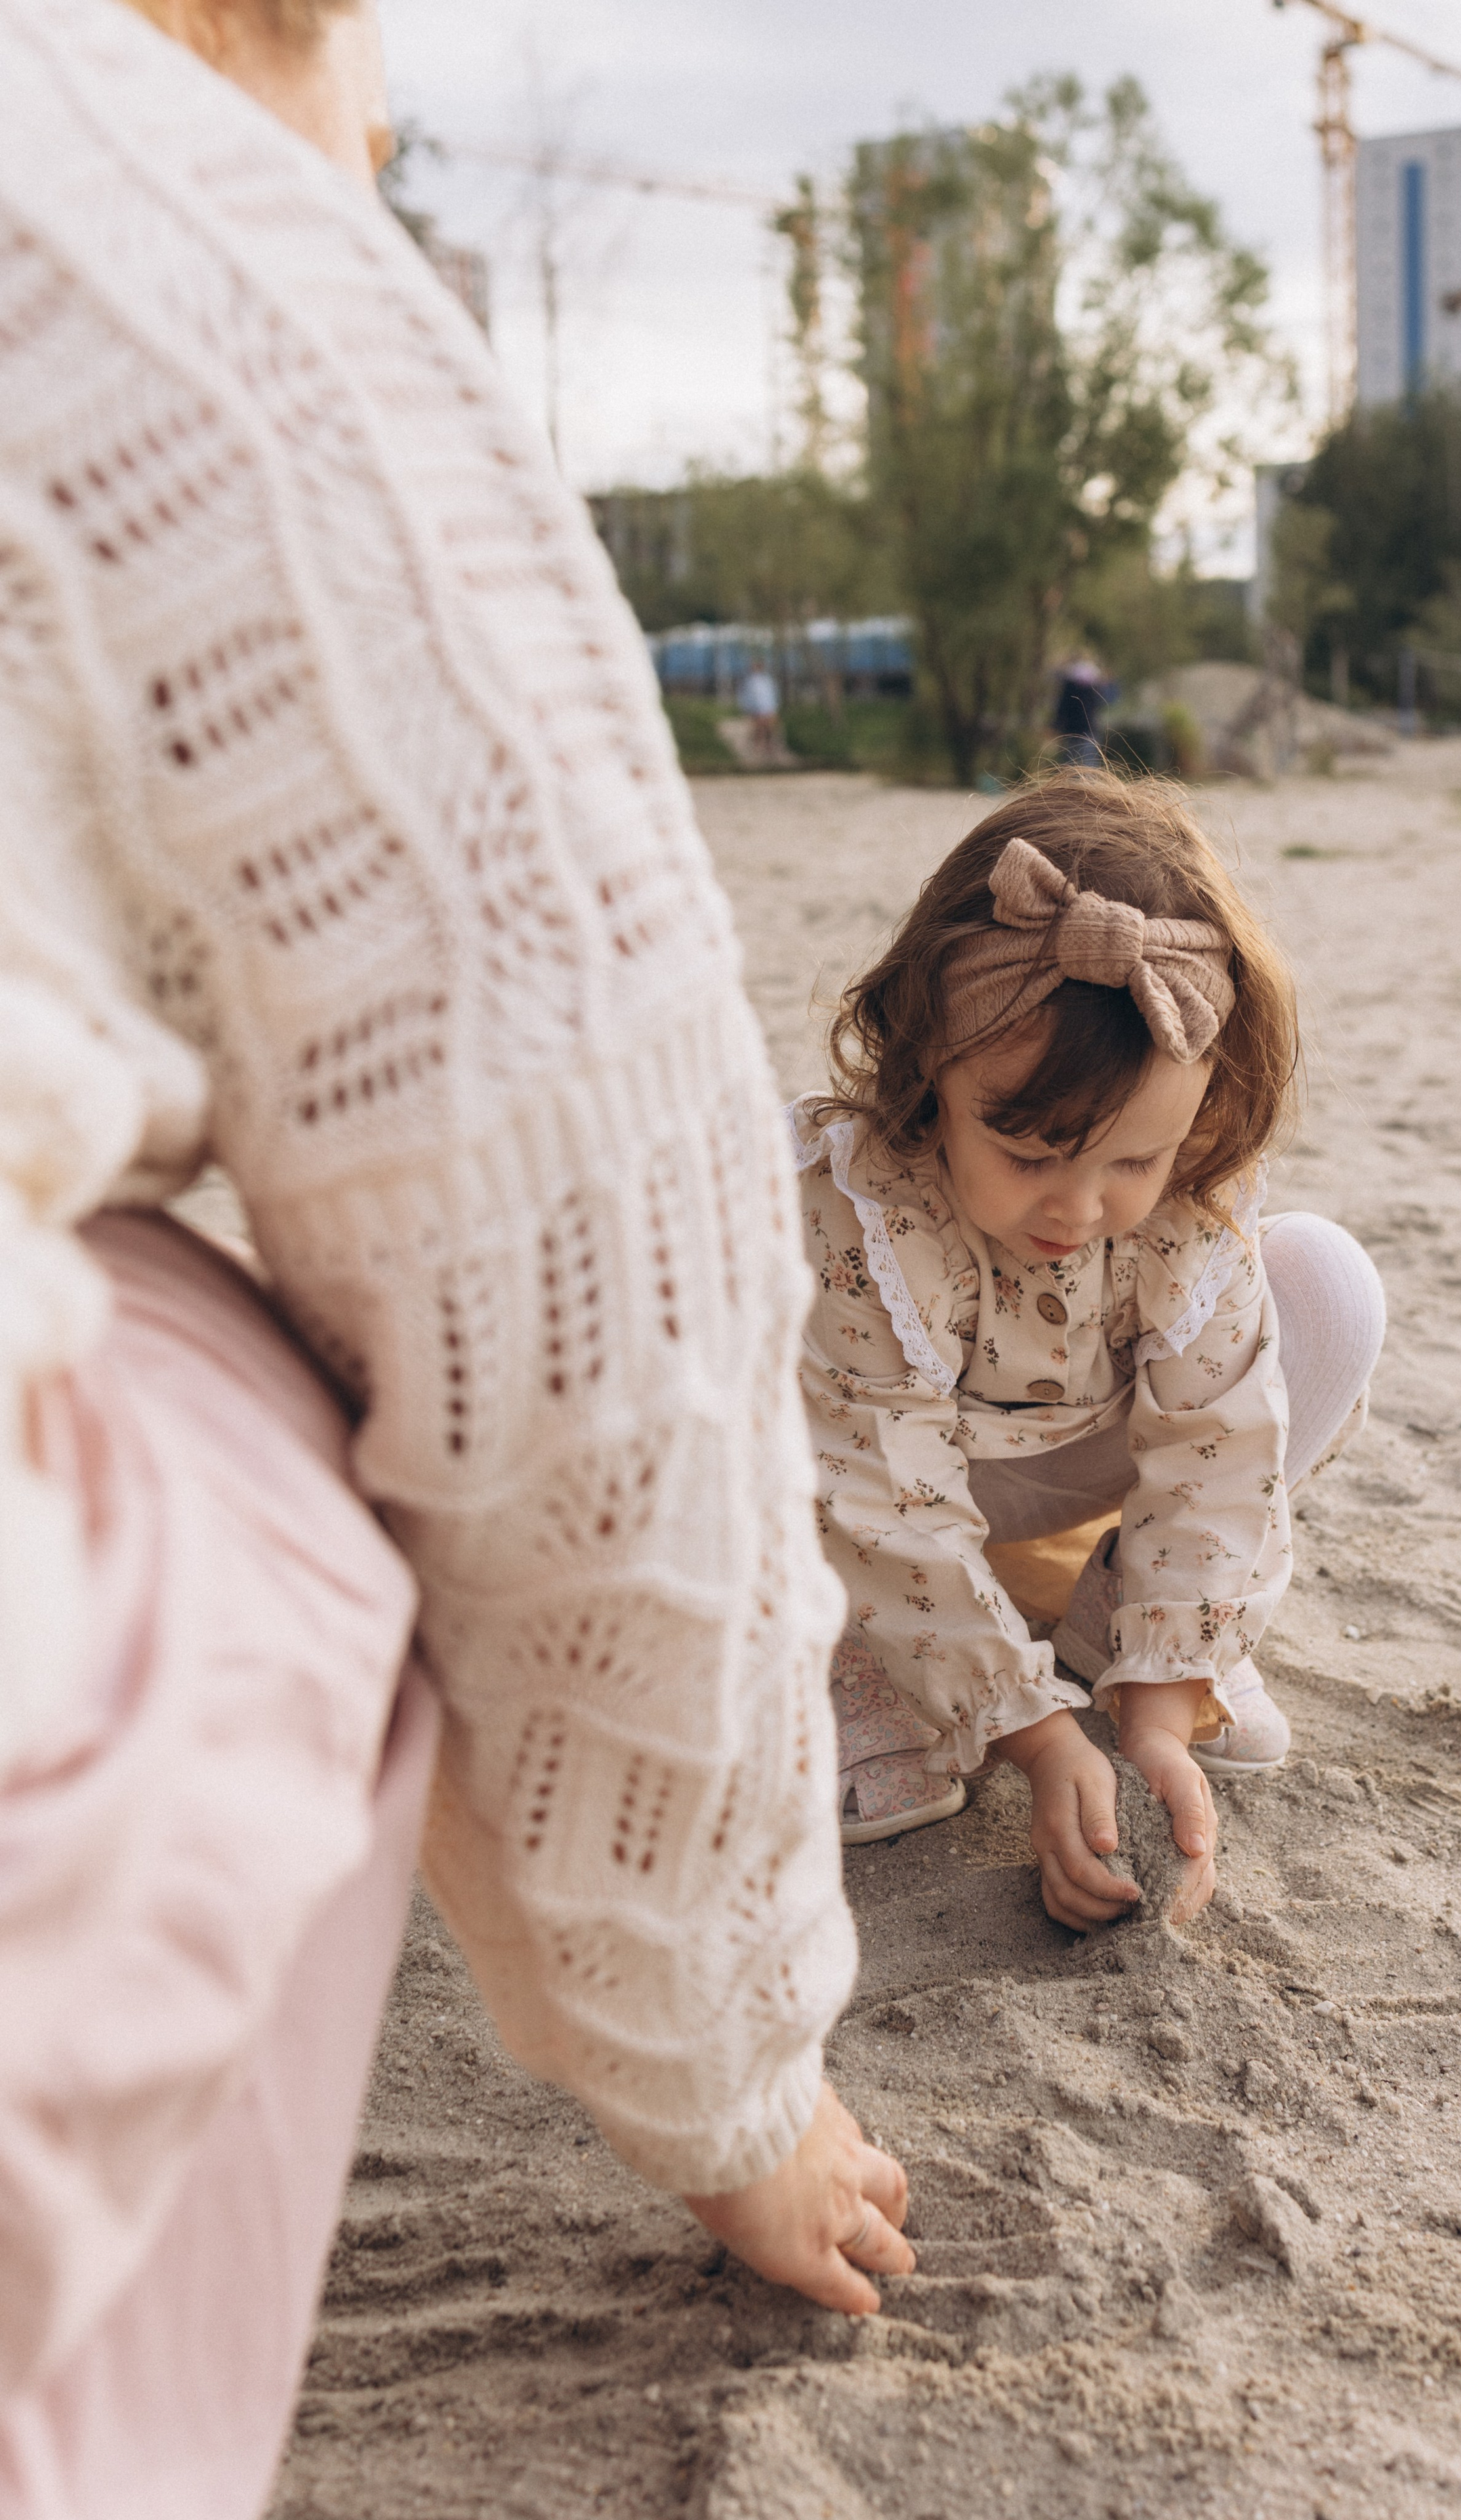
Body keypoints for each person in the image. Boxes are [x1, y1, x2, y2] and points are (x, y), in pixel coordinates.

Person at [0, 0, 908, 2511]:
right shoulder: (178, 236)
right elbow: (605, 1344)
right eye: (375, 141)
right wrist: (730, 2080)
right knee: (279, 1393)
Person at [791, 772, 1385, 1930]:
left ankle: (1135, 1622)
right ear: (927, 1068)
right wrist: (1035, 1734)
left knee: (1328, 1285)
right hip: (858, 1473)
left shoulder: (1191, 1202)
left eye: (1133, 1160)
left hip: (1066, 1460)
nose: (1078, 1206)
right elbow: (881, 1489)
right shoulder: (865, 1206)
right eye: (1027, 1151)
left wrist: (1158, 1714)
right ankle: (849, 1660)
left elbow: (1217, 1449)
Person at [1052, 658, 1115, 768]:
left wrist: (1056, 726)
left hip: (1072, 733)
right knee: (1088, 766)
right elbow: (1107, 700)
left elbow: (1061, 711)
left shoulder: (1069, 690)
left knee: (1070, 767)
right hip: (1088, 733)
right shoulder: (1093, 690)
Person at [739, 662, 783, 760]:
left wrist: (774, 707)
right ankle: (758, 749)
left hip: (768, 708)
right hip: (757, 709)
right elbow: (745, 696)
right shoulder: (749, 681)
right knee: (759, 729)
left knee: (770, 729)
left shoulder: (767, 680)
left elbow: (773, 694)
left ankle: (770, 748)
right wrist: (748, 709)